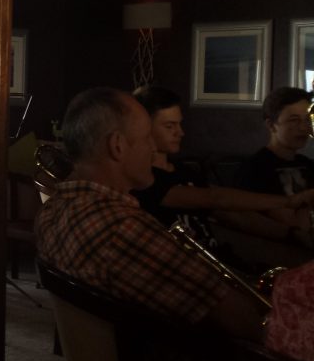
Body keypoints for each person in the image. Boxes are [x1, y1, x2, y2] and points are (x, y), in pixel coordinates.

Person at [36, 87, 266, 359]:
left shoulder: (50, 211)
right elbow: (244, 322)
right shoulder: (122, 228)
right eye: (146, 138)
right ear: (118, 146)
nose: (153, 148)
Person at [131, 86, 314, 260]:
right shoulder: (142, 178)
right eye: (170, 126)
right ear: (145, 127)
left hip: (215, 260)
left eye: (179, 124)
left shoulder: (184, 171)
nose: (180, 132)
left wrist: (291, 234)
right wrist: (290, 202)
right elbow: (215, 198)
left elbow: (232, 214)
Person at [236, 87, 314, 202]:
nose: (303, 128)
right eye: (293, 120)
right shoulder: (254, 169)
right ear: (271, 125)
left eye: (307, 120)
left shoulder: (308, 164)